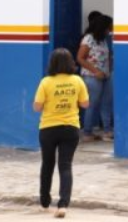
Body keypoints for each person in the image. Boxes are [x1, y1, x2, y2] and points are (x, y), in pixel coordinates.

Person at [34, 47, 89, 218]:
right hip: (70, 128)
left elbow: (37, 107)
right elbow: (85, 104)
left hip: (48, 128)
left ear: (53, 63)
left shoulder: (46, 82)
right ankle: (63, 204)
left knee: (47, 164)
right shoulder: (77, 81)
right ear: (71, 63)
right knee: (65, 166)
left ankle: (44, 201)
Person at [77, 13, 113, 141]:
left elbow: (108, 57)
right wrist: (95, 71)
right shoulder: (88, 39)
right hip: (92, 76)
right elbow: (80, 58)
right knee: (92, 104)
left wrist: (109, 71)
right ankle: (87, 132)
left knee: (106, 103)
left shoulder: (103, 39)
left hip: (106, 75)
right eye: (109, 27)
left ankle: (107, 131)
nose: (110, 30)